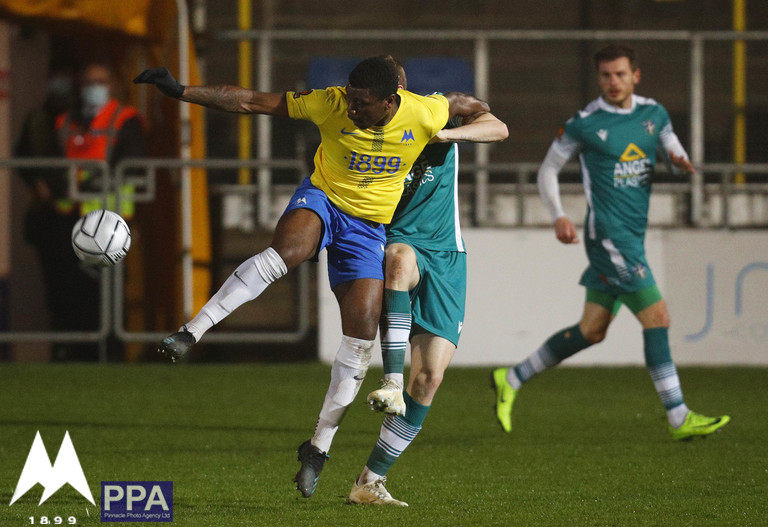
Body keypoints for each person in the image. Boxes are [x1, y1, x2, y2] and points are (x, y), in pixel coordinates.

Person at [133, 56, 491, 497]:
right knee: (288, 251)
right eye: (351, 99)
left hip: (368, 230)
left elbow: (484, 113)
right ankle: (192, 330)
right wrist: (182, 90)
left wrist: (457, 132)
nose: (352, 109)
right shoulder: (329, 102)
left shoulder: (427, 111)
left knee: (360, 340)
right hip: (324, 198)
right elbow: (250, 102)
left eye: (362, 103)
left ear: (391, 100)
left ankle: (318, 449)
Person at [491, 44, 730, 441]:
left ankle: (512, 377)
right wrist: (559, 215)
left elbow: (671, 146)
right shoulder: (585, 123)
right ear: (599, 78)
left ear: (636, 75)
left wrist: (679, 160)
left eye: (620, 74)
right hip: (609, 238)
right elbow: (547, 171)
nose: (613, 82)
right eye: (605, 76)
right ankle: (678, 416)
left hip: (631, 234)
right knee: (658, 318)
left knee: (592, 330)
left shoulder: (653, 114)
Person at [347, 62, 508, 507]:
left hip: (449, 257)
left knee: (431, 378)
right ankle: (391, 381)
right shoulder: (364, 136)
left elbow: (498, 127)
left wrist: (446, 136)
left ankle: (368, 481)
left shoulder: (436, 115)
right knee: (397, 259)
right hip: (401, 244)